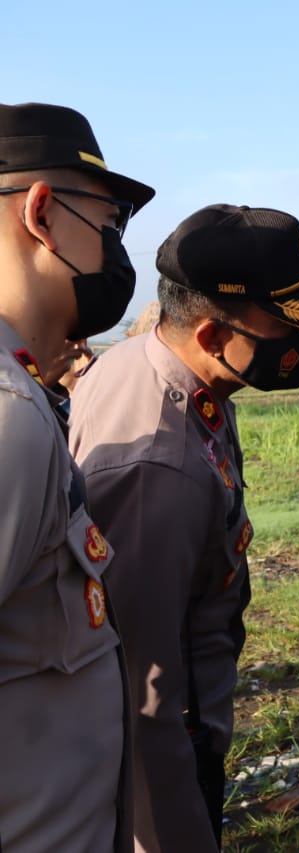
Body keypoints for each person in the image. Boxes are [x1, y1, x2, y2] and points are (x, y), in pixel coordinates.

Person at [69, 204, 299, 852]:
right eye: (282, 323)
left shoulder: (161, 366)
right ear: (208, 333)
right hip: (173, 746)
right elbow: (144, 701)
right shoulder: (160, 466)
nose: (298, 340)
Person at [0, 101, 153, 853]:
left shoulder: (23, 394)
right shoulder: (6, 418)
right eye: (109, 225)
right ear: (40, 213)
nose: (116, 253)